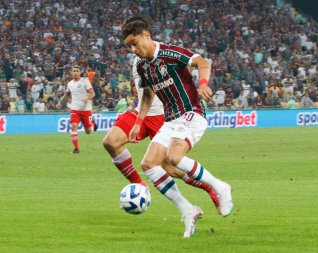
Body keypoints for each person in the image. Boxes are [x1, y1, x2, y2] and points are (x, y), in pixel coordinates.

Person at [122, 16, 233, 238]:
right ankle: (188, 210)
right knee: (149, 163)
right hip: (171, 119)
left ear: (147, 35)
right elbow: (147, 95)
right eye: (129, 46)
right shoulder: (143, 66)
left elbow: (203, 63)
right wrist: (138, 122)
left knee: (173, 157)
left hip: (192, 112)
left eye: (135, 43)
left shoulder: (170, 53)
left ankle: (220, 187)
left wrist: (202, 84)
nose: (133, 49)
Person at [102, 55, 219, 216]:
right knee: (110, 141)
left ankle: (208, 188)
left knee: (169, 168)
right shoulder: (137, 60)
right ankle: (138, 183)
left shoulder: (165, 55)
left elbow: (194, 65)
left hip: (163, 117)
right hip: (141, 113)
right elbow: (146, 93)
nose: (133, 47)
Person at [56, 65, 97, 154]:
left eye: (77, 71)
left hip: (86, 110)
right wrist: (60, 102)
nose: (75, 72)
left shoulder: (85, 81)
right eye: (73, 71)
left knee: (88, 131)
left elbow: (93, 94)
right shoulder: (70, 83)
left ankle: (92, 124)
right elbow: (67, 94)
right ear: (71, 72)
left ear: (80, 72)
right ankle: (76, 149)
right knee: (74, 127)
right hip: (75, 109)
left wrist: (87, 99)